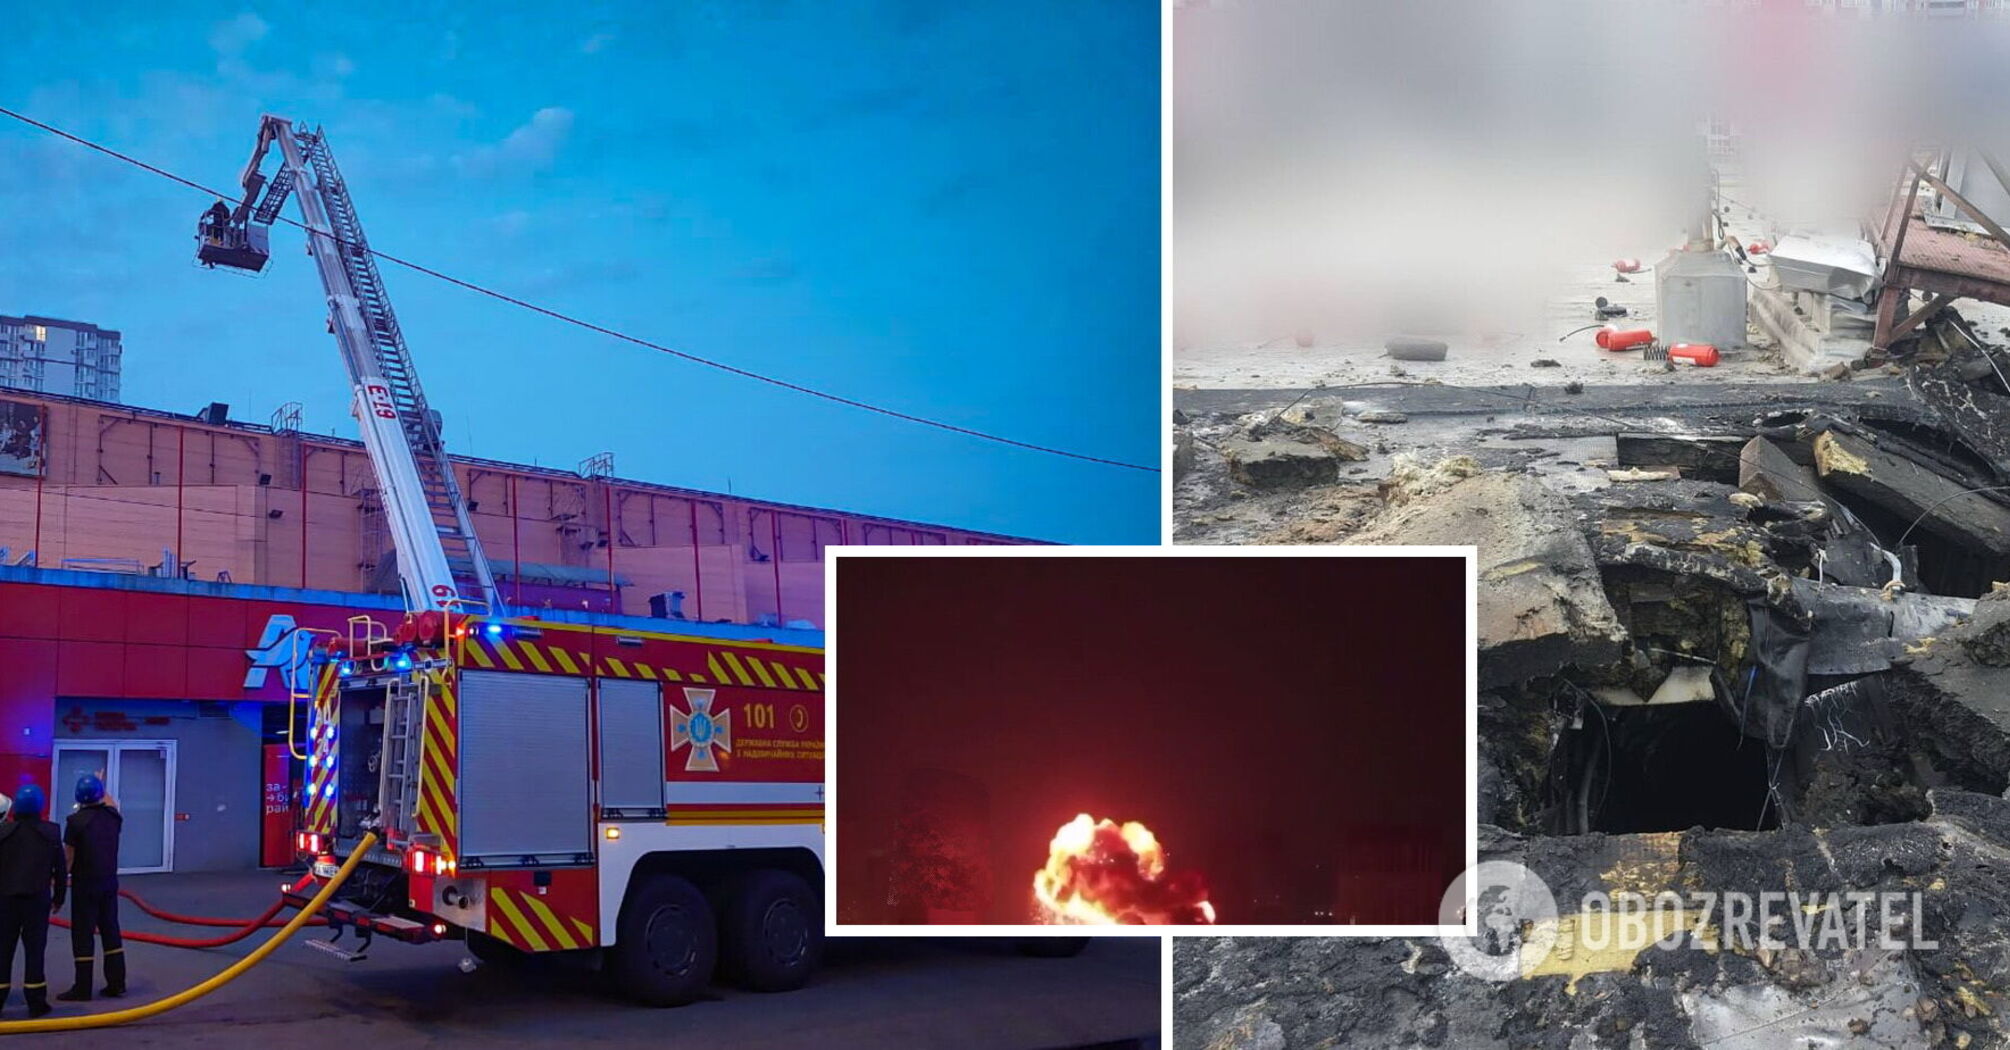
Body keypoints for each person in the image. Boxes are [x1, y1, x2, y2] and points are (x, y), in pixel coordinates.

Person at [0, 785, 65, 1018]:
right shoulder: (51, 832)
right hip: (37, 902)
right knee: (35, 951)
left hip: (5, 901)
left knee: (3, 951)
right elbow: (60, 869)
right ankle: (36, 1002)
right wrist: (59, 898)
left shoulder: (3, 832)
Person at [59, 774, 122, 1001]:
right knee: (111, 931)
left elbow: (68, 858)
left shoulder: (74, 822)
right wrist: (101, 784)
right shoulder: (113, 817)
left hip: (85, 886)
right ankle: (117, 983)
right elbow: (112, 803)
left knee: (83, 935)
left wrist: (56, 885)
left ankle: (82, 987)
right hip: (109, 883)